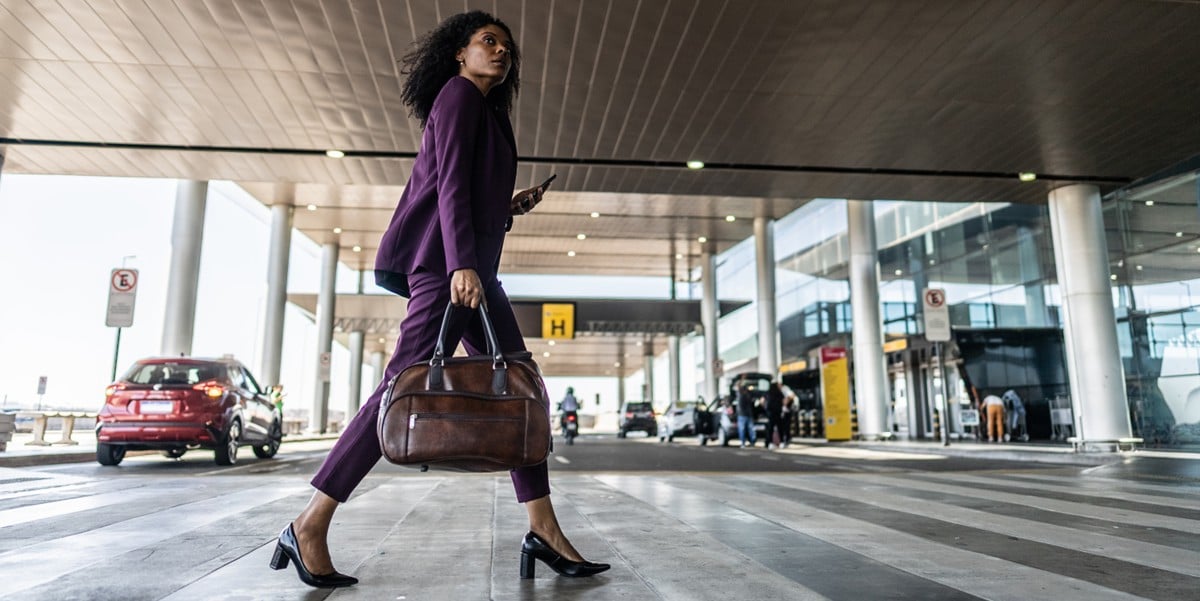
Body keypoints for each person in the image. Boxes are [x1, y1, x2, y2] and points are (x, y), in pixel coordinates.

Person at [270, 11, 608, 588]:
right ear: (459, 52)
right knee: (399, 386)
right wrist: (460, 265)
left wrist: (509, 206)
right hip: (443, 266)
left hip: (472, 267)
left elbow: (469, 190)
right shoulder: (457, 96)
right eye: (488, 41)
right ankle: (310, 523)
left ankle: (543, 528)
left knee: (521, 387)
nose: (501, 52)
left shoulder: (486, 111)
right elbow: (448, 182)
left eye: (506, 47)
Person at [765, 382, 785, 449]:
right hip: (778, 412)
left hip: (771, 413)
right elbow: (783, 401)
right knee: (780, 428)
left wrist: (766, 408)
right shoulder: (779, 393)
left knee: (770, 428)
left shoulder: (768, 393)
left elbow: (763, 401)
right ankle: (782, 442)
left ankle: (770, 443)